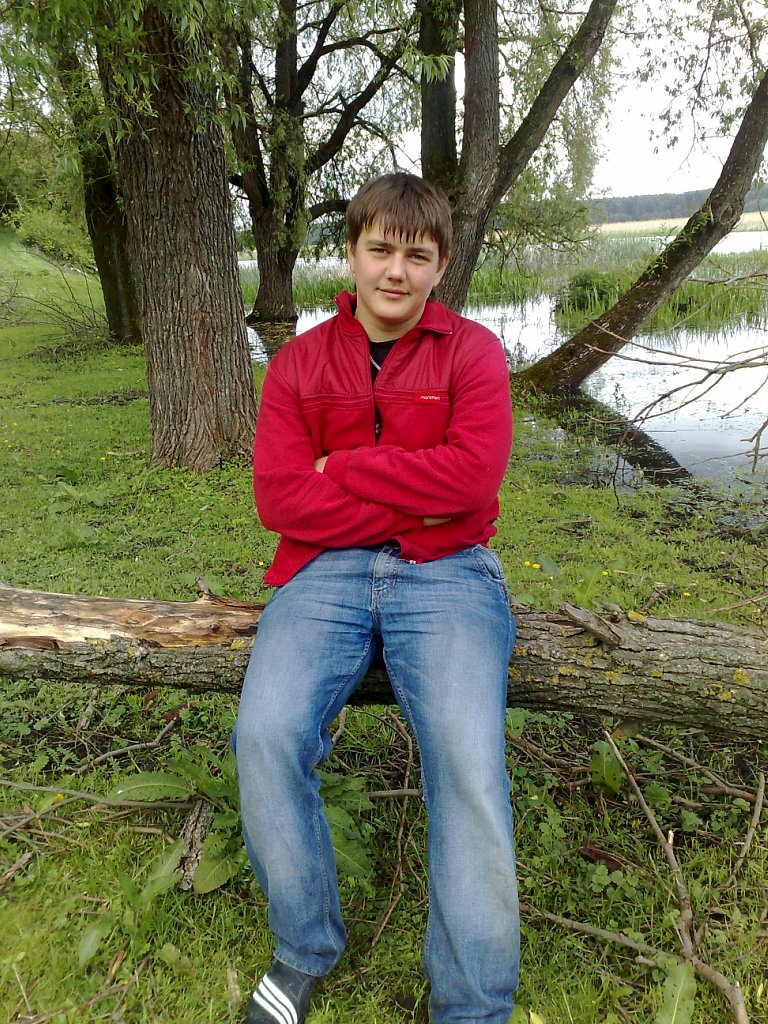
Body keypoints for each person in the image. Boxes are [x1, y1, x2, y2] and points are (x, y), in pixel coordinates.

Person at [234, 172, 519, 1024]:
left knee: (467, 762)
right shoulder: (297, 363)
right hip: (323, 570)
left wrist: (346, 468)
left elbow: (472, 483)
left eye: (417, 256)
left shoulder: (473, 353)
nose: (397, 271)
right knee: (266, 733)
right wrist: (411, 496)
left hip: (449, 569)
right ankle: (303, 947)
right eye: (381, 250)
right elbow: (281, 499)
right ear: (351, 254)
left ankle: (472, 1003)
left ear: (441, 265)